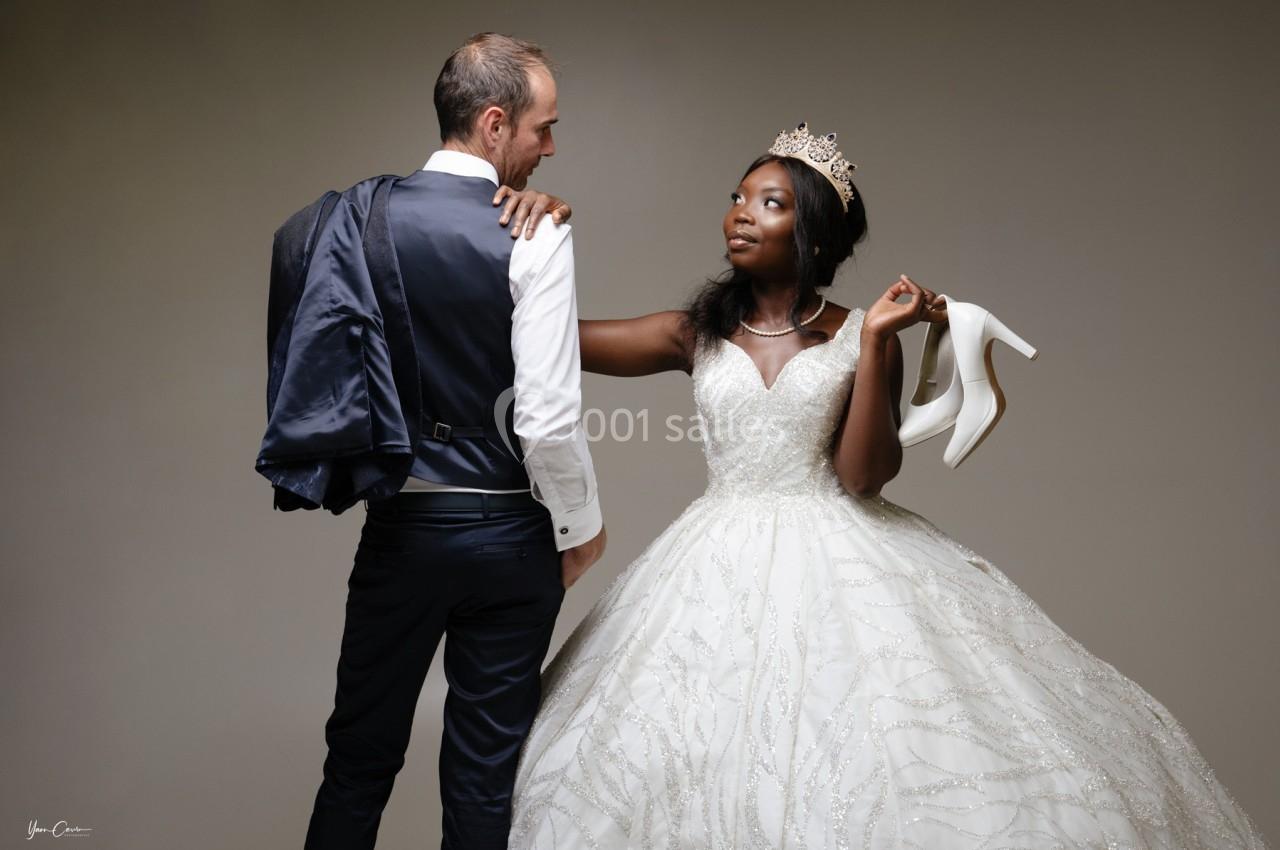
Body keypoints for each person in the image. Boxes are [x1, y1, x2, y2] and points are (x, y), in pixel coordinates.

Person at [504, 125, 1270, 847]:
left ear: (810, 236)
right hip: (713, 553)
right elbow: (546, 343)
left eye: (768, 204)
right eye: (738, 198)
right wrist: (534, 230)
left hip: (841, 556)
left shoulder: (862, 332)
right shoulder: (693, 331)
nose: (740, 216)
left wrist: (872, 342)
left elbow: (864, 478)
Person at [301, 33, 607, 850]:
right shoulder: (536, 232)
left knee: (357, 765)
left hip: (403, 530)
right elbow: (543, 419)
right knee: (483, 782)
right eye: (544, 128)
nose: (552, 147)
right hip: (510, 537)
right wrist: (581, 530)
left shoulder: (356, 222)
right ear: (496, 124)